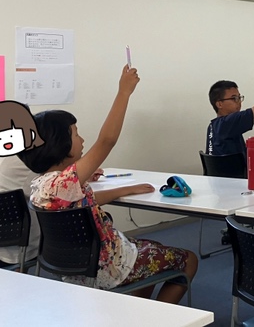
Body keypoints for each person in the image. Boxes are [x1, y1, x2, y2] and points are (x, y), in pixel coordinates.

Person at [18, 65, 198, 303]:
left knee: (151, 246)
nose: (82, 139)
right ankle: (161, 316)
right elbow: (107, 141)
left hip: (74, 270)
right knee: (188, 260)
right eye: (76, 134)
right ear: (59, 144)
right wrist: (124, 92)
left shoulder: (43, 185)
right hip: (108, 268)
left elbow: (86, 202)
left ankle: (138, 311)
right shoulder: (64, 183)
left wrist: (127, 189)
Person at [206, 56, 254, 175]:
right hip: (235, 182)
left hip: (220, 182)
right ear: (219, 104)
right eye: (234, 98)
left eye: (239, 97)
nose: (238, 102)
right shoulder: (229, 121)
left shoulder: (213, 126)